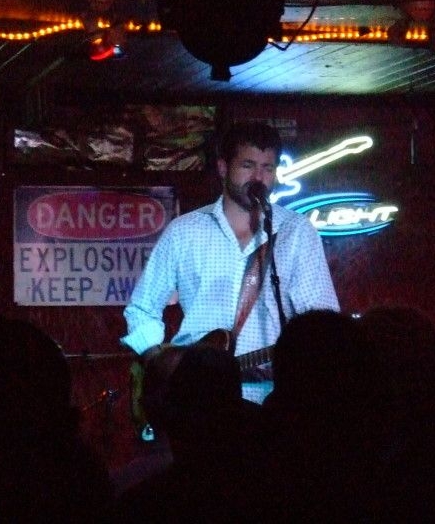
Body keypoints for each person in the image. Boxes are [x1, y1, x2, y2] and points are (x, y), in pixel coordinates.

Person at [121, 121, 339, 405]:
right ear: (223, 168)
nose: (259, 177)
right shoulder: (184, 231)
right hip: (197, 398)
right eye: (248, 165)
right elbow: (141, 309)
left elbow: (322, 324)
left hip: (272, 398)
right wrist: (159, 361)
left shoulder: (296, 232)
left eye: (268, 168)